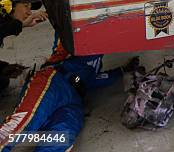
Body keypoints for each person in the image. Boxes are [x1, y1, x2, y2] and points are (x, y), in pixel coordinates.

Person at [0, 39, 137, 151]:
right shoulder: (73, 41)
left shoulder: (96, 65)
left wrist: (122, 70)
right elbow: (64, 26)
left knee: (61, 137)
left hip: (74, 101)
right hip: (53, 81)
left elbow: (98, 79)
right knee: (24, 123)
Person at [0, 0, 48, 92]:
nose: (29, 12)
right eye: (26, 6)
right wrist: (21, 24)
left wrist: (3, 67)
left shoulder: (5, 21)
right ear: (11, 7)